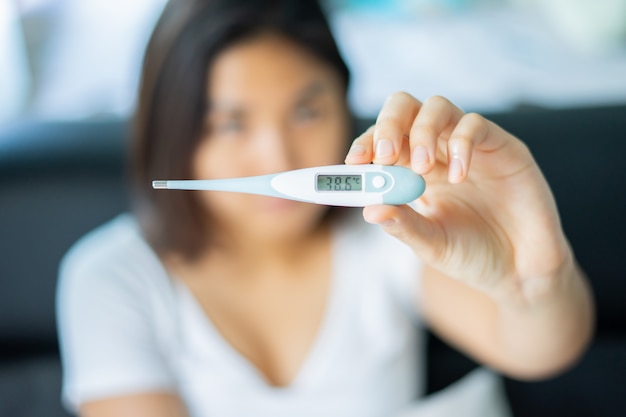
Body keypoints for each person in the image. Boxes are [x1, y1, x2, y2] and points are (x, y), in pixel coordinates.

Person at [56, 0, 595, 416]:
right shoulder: (110, 278)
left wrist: (532, 281)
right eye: (232, 123)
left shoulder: (393, 228)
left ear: (345, 104)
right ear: (172, 132)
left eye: (307, 111)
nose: (279, 155)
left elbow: (542, 351)